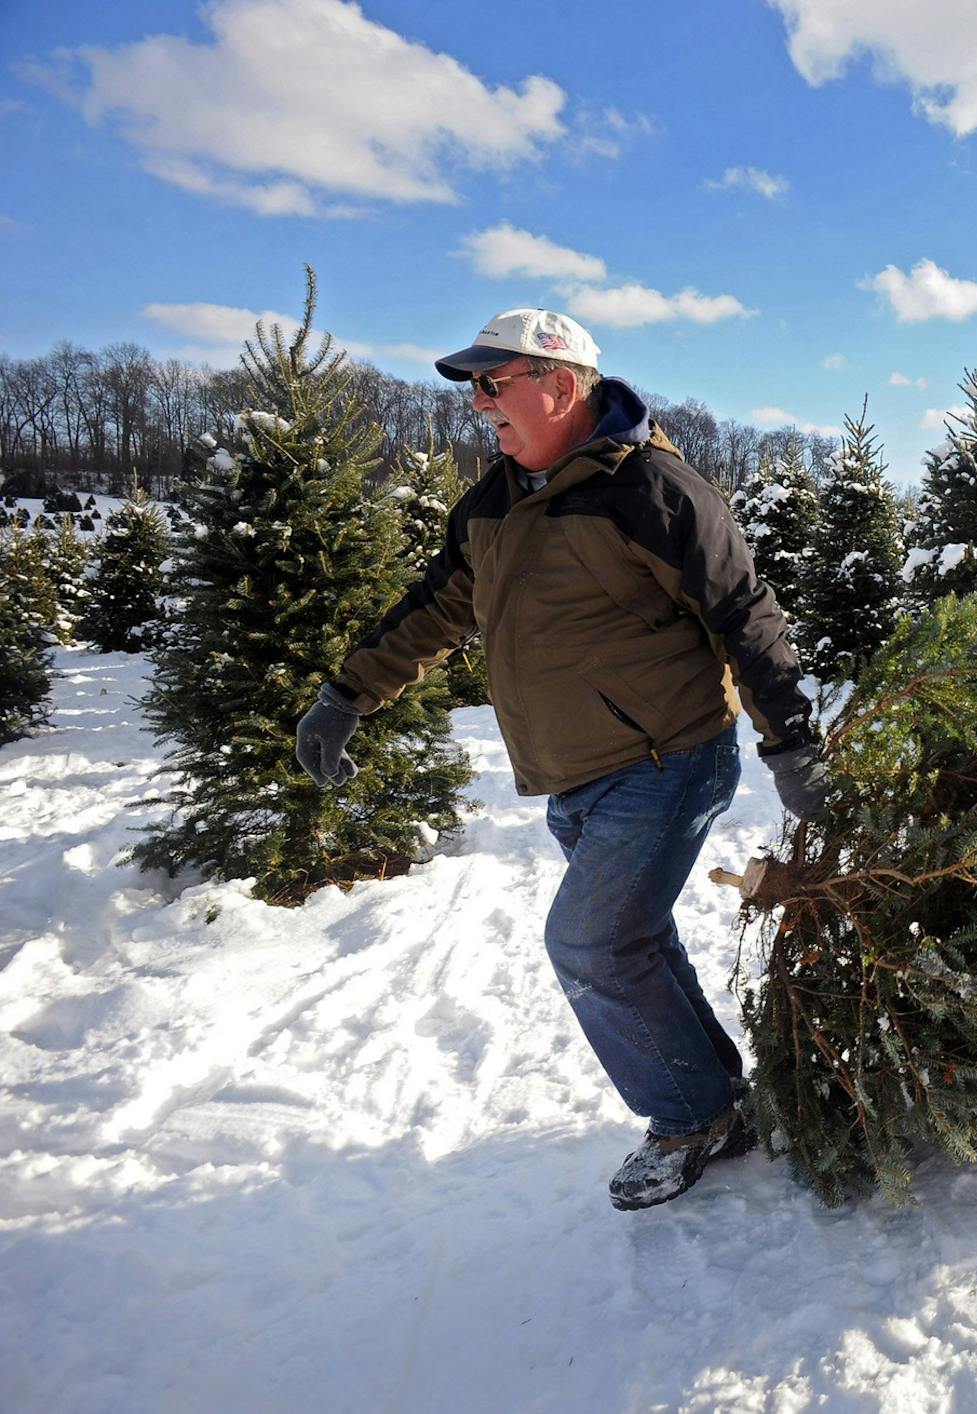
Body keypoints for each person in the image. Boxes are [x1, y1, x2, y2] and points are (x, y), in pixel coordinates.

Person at [292, 308, 831, 1210]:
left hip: (665, 761)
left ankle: (692, 1116)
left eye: (492, 383)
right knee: (633, 939)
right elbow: (432, 608)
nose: (478, 405)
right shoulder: (498, 499)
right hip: (570, 772)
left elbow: (745, 614)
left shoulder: (656, 490)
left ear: (561, 385)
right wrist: (347, 694)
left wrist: (791, 743)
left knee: (589, 943)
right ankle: (718, 1098)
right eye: (473, 386)